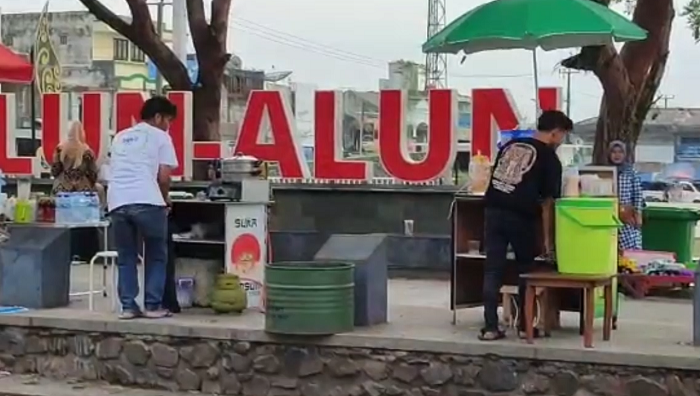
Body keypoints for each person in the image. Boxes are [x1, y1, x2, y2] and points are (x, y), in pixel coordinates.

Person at [479, 110, 571, 341]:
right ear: (555, 132)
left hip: (493, 210)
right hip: (521, 216)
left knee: (492, 269)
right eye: (562, 136)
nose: (561, 141)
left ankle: (490, 327)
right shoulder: (550, 158)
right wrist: (548, 241)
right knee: (526, 271)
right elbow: (549, 202)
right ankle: (524, 326)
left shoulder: (510, 145)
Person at [107, 96, 179, 319]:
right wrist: (165, 199)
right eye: (168, 119)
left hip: (117, 201)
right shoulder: (161, 137)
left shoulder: (120, 136)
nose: (168, 125)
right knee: (157, 254)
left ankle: (128, 307)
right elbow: (164, 177)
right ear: (158, 117)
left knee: (126, 256)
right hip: (147, 200)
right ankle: (152, 305)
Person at [608, 141, 643, 250]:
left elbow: (637, 194)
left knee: (628, 246)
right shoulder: (605, 171)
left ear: (625, 154)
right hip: (609, 213)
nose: (617, 155)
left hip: (626, 213)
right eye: (614, 152)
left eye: (620, 152)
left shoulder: (631, 172)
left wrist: (638, 214)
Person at [51, 121, 99, 194]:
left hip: (62, 188)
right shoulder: (87, 151)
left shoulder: (60, 149)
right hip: (82, 189)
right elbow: (93, 174)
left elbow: (55, 172)